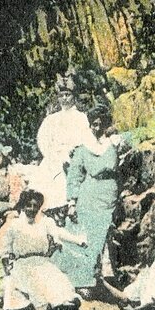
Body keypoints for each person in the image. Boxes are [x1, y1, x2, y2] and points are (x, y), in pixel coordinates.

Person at [0, 188, 87, 310]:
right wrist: (6, 263)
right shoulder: (14, 225)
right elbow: (4, 247)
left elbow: (59, 232)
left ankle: (63, 306)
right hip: (23, 264)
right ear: (23, 206)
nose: (32, 209)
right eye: (29, 205)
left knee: (57, 281)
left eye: (36, 206)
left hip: (43, 262)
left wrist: (78, 240)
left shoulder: (44, 222)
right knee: (36, 283)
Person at [57, 102, 121, 292]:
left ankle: (102, 279)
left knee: (102, 233)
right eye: (94, 124)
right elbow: (75, 176)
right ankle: (80, 281)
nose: (98, 128)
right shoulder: (82, 148)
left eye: (101, 124)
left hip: (108, 192)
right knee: (83, 232)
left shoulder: (116, 143)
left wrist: (117, 140)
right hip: (88, 192)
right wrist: (72, 202)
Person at [31, 74, 93, 210]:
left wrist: (73, 152)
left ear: (74, 96)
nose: (64, 98)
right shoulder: (51, 119)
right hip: (52, 156)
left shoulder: (81, 117)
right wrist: (50, 154)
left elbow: (85, 138)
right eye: (61, 95)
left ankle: (67, 206)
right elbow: (42, 139)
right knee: (44, 181)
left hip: (73, 156)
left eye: (67, 95)